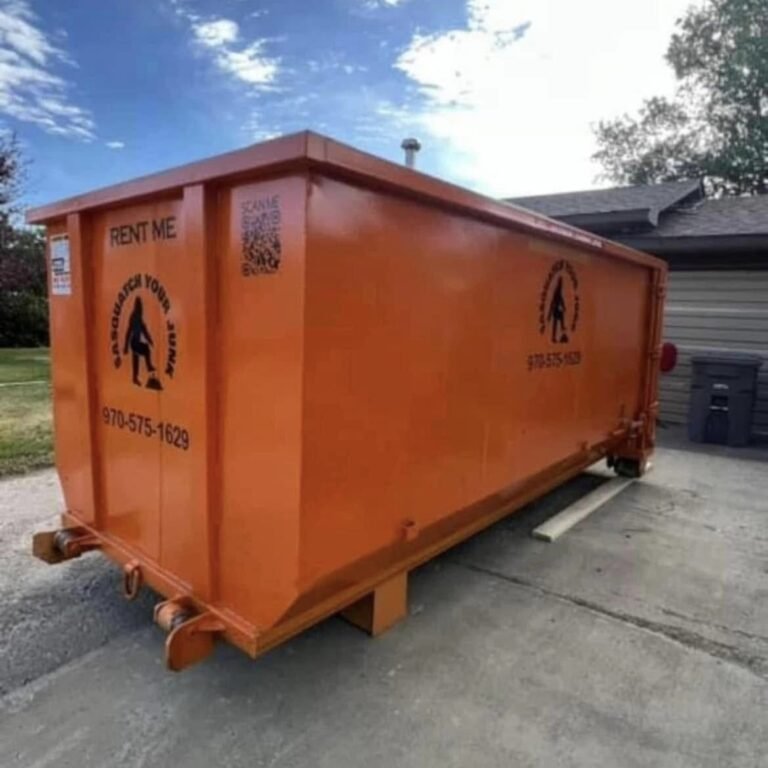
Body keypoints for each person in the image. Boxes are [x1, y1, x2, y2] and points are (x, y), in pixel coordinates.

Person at [123, 297, 157, 386]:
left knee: (139, 356)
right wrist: (125, 346)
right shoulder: (134, 316)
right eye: (140, 305)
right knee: (143, 352)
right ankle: (147, 368)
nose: (141, 306)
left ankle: (137, 376)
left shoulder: (138, 316)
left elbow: (144, 329)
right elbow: (129, 330)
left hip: (135, 342)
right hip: (134, 342)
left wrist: (150, 340)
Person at [547, 276, 568, 344]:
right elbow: (554, 301)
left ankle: (560, 333)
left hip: (557, 309)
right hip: (556, 309)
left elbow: (561, 299)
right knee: (556, 323)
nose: (561, 284)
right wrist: (550, 313)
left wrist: (563, 306)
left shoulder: (559, 290)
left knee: (559, 321)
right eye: (561, 282)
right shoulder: (557, 290)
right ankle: (555, 336)